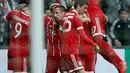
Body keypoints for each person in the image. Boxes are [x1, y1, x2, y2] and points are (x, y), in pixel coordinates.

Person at [53, 1, 99, 73]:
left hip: (64, 51)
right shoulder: (77, 18)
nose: (85, 10)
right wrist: (95, 45)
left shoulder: (65, 16)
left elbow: (60, 33)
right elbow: (83, 36)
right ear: (78, 7)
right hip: (71, 51)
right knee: (81, 71)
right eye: (84, 8)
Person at [87, 0, 126, 73]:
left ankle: (120, 62)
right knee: (91, 46)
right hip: (85, 12)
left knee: (98, 41)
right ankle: (118, 66)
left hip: (93, 12)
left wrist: (99, 11)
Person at [0, 2, 31, 73]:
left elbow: (2, 20)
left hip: (12, 49)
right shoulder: (31, 20)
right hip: (23, 51)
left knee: (15, 71)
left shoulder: (13, 13)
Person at [44, 3, 63, 73]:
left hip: (62, 56)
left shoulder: (64, 22)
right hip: (50, 56)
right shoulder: (47, 20)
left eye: (57, 11)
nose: (55, 12)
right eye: (53, 10)